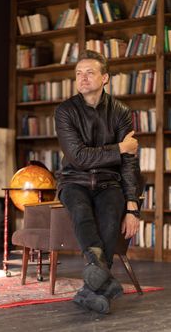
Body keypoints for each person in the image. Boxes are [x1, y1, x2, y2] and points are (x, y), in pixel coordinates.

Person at [54, 50, 142, 314]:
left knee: (110, 216)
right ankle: (103, 279)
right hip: (74, 180)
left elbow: (129, 163)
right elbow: (78, 157)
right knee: (81, 212)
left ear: (105, 78)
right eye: (79, 73)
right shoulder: (65, 111)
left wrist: (132, 206)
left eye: (90, 72)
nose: (83, 78)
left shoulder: (121, 112)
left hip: (109, 182)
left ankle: (90, 289)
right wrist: (119, 148)